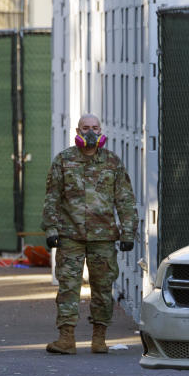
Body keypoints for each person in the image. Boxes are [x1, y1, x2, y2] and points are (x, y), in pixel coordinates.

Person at [42, 114, 138, 354]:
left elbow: (125, 200)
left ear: (101, 130)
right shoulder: (63, 160)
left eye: (95, 128)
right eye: (86, 128)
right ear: (78, 130)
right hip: (70, 236)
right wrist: (51, 229)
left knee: (103, 288)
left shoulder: (112, 162)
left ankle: (99, 338)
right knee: (68, 287)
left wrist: (128, 232)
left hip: (103, 237)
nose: (91, 132)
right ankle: (66, 339)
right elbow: (52, 197)